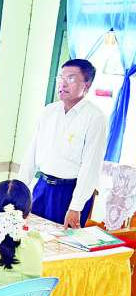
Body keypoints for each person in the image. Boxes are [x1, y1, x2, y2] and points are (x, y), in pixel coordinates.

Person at [18, 59, 107, 228]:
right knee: (30, 235)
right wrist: (19, 189)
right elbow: (32, 152)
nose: (63, 83)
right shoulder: (49, 111)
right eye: (61, 77)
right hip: (42, 187)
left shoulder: (95, 118)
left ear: (87, 85)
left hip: (68, 193)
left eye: (71, 78)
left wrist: (76, 207)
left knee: (60, 241)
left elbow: (91, 166)